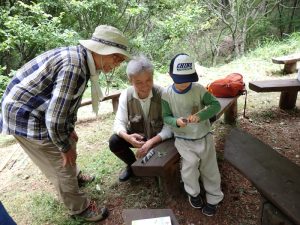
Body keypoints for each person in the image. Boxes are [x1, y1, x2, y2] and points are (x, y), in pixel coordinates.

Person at [0, 25, 130, 222]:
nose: (118, 63)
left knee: (68, 142)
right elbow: (54, 118)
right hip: (25, 114)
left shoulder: (82, 60)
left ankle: (74, 176)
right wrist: (63, 144)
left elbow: (67, 104)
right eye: (116, 57)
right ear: (100, 50)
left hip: (37, 109)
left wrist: (70, 130)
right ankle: (79, 207)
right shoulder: (75, 67)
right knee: (60, 160)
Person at [161, 53, 224, 216]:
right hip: (183, 139)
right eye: (179, 80)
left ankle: (214, 197)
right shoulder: (166, 94)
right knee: (189, 166)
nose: (183, 84)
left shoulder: (199, 89)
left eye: (187, 79)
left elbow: (215, 105)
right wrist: (176, 122)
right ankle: (193, 193)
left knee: (210, 168)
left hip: (203, 136)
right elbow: (166, 117)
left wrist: (202, 115)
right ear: (170, 76)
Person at [109, 55, 172, 182]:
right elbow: (118, 123)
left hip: (159, 137)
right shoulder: (126, 95)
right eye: (138, 82)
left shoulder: (163, 94)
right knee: (114, 141)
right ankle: (133, 166)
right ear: (130, 80)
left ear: (153, 76)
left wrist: (151, 142)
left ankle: (163, 167)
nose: (145, 86)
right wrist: (128, 137)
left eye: (149, 80)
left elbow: (169, 126)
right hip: (140, 136)